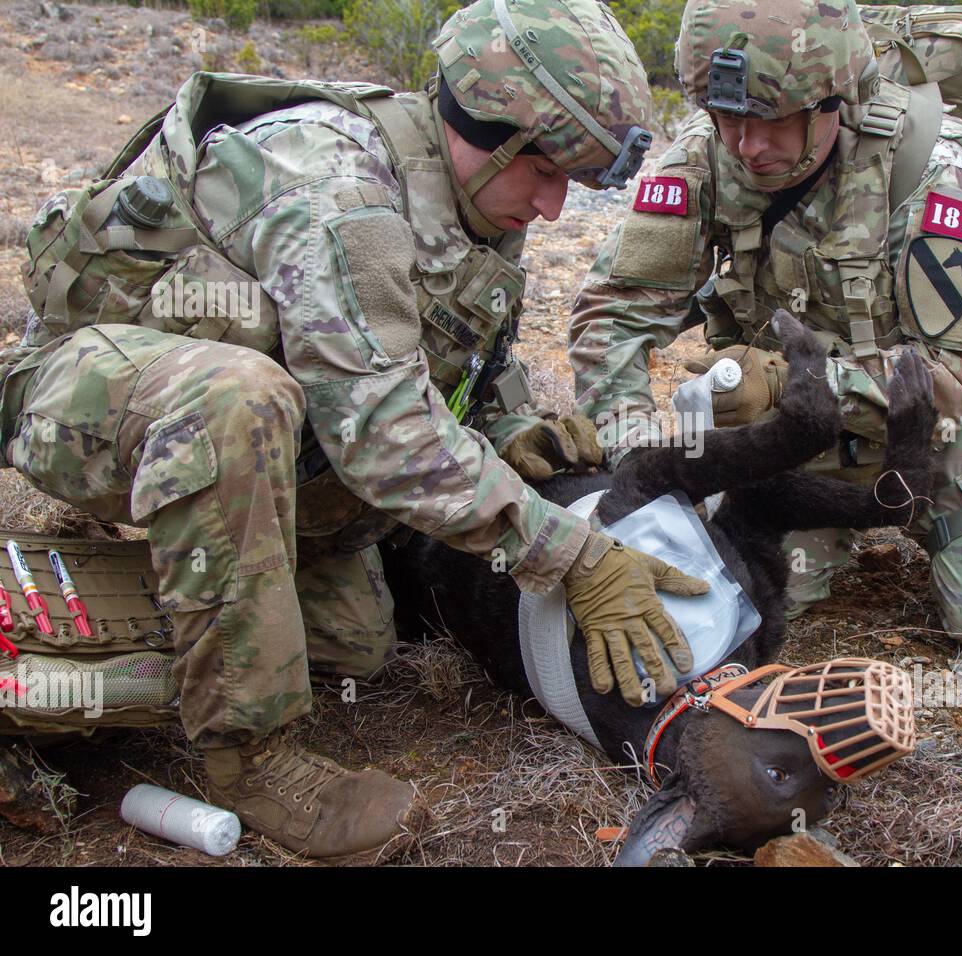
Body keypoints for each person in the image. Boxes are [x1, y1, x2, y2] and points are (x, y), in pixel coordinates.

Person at [2, 0, 707, 858]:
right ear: (497, 136)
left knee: (353, 642)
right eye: (549, 175)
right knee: (238, 395)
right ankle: (249, 760)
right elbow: (379, 433)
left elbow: (433, 370)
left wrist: (512, 428)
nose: (556, 209)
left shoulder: (467, 199)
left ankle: (38, 662)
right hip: (87, 399)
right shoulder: (335, 186)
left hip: (254, 461)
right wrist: (573, 555)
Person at [569, 0, 962, 643]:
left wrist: (799, 387)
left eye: (771, 122)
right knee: (731, 595)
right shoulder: (707, 160)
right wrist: (637, 460)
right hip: (791, 442)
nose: (747, 145)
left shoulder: (935, 176)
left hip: (934, 429)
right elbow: (614, 314)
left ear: (833, 102)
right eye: (725, 118)